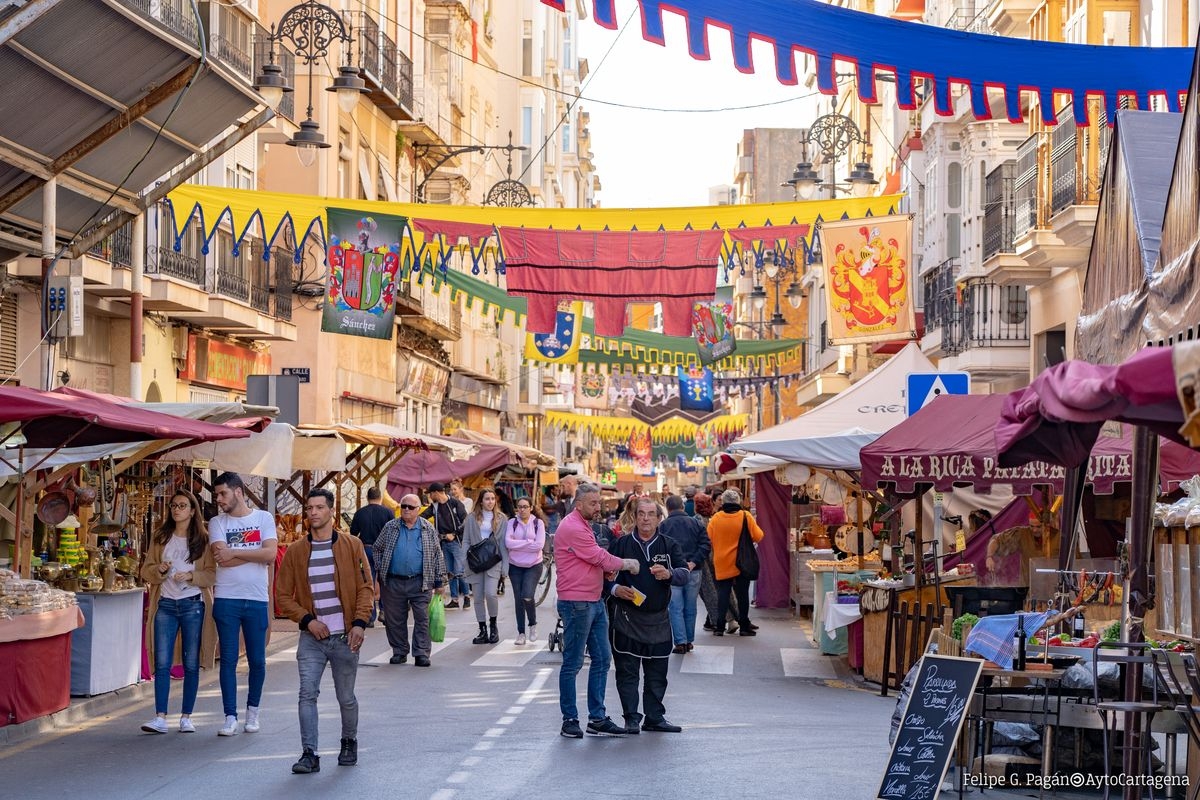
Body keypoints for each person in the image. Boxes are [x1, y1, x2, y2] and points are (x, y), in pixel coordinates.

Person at [276, 489, 373, 774]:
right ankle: (310, 753)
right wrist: (307, 620)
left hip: (344, 636)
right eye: (310, 508)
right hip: (312, 638)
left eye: (319, 507)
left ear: (331, 511)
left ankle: (348, 741)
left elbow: (366, 587)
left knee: (346, 696)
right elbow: (283, 596)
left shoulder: (352, 545)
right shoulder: (295, 551)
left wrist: (359, 622)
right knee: (307, 693)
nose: (314, 513)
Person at [555, 483, 640, 739]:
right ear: (578, 504)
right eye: (593, 503)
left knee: (602, 659)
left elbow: (592, 560)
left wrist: (606, 570)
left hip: (593, 600)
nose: (598, 507)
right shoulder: (572, 526)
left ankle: (597, 717)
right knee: (573, 663)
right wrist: (626, 564)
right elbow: (597, 556)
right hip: (577, 602)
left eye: (598, 502)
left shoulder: (584, 525)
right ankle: (570, 718)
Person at [607, 497, 690, 733]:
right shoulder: (621, 544)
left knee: (657, 674)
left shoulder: (669, 545)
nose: (645, 518)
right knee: (627, 673)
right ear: (634, 516)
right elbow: (602, 578)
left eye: (650, 514)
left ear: (658, 518)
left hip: (658, 618)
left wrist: (670, 574)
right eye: (641, 513)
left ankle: (654, 717)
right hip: (626, 618)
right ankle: (632, 718)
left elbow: (684, 573)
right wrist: (615, 589)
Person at [140, 490, 216, 734]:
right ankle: (160, 716)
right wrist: (160, 570)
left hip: (193, 604)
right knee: (162, 662)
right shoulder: (161, 537)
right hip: (165, 604)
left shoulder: (203, 540)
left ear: (193, 510)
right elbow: (146, 571)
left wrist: (192, 575)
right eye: (173, 505)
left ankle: (186, 716)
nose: (177, 509)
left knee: (191, 662)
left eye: (182, 505)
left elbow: (212, 574)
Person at [208, 472, 277, 736]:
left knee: (257, 660)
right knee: (227, 659)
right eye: (217, 495)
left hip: (257, 597)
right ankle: (229, 715)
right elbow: (220, 559)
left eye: (222, 493)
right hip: (226, 598)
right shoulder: (216, 521)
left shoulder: (263, 518)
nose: (219, 499)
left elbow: (270, 554)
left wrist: (234, 551)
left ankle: (253, 712)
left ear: (238, 492)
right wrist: (255, 554)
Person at [375, 494, 446, 666]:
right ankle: (399, 651)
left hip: (420, 581)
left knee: (422, 618)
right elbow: (377, 548)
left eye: (410, 507)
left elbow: (437, 554)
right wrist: (381, 568)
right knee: (394, 620)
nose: (406, 509)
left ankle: (421, 653)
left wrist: (440, 581)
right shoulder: (390, 527)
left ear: (418, 510)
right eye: (403, 506)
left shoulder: (427, 528)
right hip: (393, 581)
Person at [706, 488, 764, 638]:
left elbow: (708, 540)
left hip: (722, 561)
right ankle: (744, 627)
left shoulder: (716, 518)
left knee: (723, 595)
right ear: (738, 501)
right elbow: (759, 536)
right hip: (741, 562)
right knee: (742, 595)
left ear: (723, 502)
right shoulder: (745, 516)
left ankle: (719, 627)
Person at [659, 494, 711, 654]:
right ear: (682, 506)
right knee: (690, 606)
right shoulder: (696, 523)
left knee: (675, 607)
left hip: (673, 571)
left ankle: (680, 641)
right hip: (693, 570)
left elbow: (660, 548)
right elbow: (705, 545)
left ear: (667, 509)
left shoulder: (663, 526)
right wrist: (693, 562)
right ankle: (689, 640)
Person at [463, 489, 508, 645]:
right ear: (480, 501)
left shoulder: (502, 519)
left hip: (493, 561)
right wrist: (464, 561)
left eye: (492, 499)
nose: (490, 502)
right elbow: (466, 541)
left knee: (490, 594)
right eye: (487, 499)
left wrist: (505, 566)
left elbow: (503, 544)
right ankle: (482, 630)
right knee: (478, 597)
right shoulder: (471, 518)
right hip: (475, 561)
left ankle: (493, 626)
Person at [694, 492, 739, 633]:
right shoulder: (715, 518)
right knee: (726, 591)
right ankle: (735, 618)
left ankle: (719, 621)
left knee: (711, 593)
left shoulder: (697, 520)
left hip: (704, 560)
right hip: (719, 558)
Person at [422, 482, 470, 609]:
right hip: (443, 542)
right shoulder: (435, 506)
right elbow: (424, 516)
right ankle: (454, 599)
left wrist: (454, 534)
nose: (430, 497)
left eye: (430, 494)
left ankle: (467, 597)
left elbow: (466, 521)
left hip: (456, 541)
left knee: (459, 571)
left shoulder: (455, 503)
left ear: (436, 493)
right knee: (450, 571)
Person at [504, 496, 545, 645]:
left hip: (534, 565)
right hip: (515, 566)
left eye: (525, 507)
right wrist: (528, 543)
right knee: (518, 599)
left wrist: (518, 544)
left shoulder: (537, 523)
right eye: (519, 507)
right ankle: (521, 633)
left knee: (527, 595)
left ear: (531, 508)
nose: (522, 509)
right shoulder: (512, 523)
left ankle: (532, 624)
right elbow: (508, 543)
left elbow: (539, 545)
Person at [349, 487, 393, 625]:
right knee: (385, 581)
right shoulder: (388, 512)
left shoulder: (360, 513)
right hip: (384, 551)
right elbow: (394, 533)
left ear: (367, 498)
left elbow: (353, 534)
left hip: (365, 551)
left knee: (367, 582)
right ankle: (384, 612)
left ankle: (369, 616)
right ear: (380, 497)